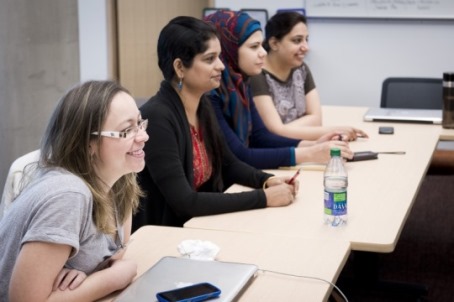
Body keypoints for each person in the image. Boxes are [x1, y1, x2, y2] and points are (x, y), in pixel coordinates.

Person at [133, 16, 296, 230]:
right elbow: (185, 202)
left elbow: (229, 164)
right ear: (180, 67)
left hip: (199, 228)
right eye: (210, 59)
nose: (221, 66)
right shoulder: (157, 117)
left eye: (219, 57)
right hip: (165, 237)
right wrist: (264, 198)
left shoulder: (204, 104)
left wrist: (268, 180)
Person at [0, 80, 148, 301]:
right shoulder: (67, 194)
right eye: (126, 130)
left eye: (139, 123)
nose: (143, 137)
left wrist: (89, 275)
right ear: (89, 144)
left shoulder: (119, 180)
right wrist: (112, 278)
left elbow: (116, 254)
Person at [204, 10, 353, 170]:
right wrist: (310, 153)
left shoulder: (241, 84)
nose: (263, 52)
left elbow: (261, 137)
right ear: (229, 49)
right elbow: (240, 156)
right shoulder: (209, 95)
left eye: (261, 45)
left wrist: (314, 144)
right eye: (254, 47)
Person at [250, 11, 368, 141]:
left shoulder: (301, 69)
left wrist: (284, 130)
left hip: (300, 144)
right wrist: (334, 130)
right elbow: (274, 132)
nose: (306, 47)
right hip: (276, 152)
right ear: (274, 44)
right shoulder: (257, 74)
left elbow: (316, 119)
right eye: (297, 40)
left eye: (306, 39)